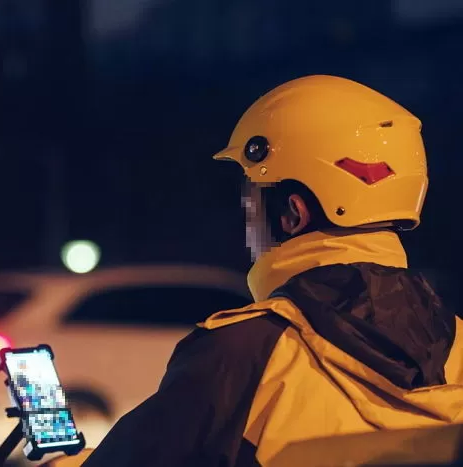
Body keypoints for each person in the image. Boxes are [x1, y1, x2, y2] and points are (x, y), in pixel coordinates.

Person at [46, 75, 463, 467]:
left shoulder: (241, 351)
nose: (246, 227)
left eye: (250, 208)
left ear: (292, 214)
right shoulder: (459, 342)